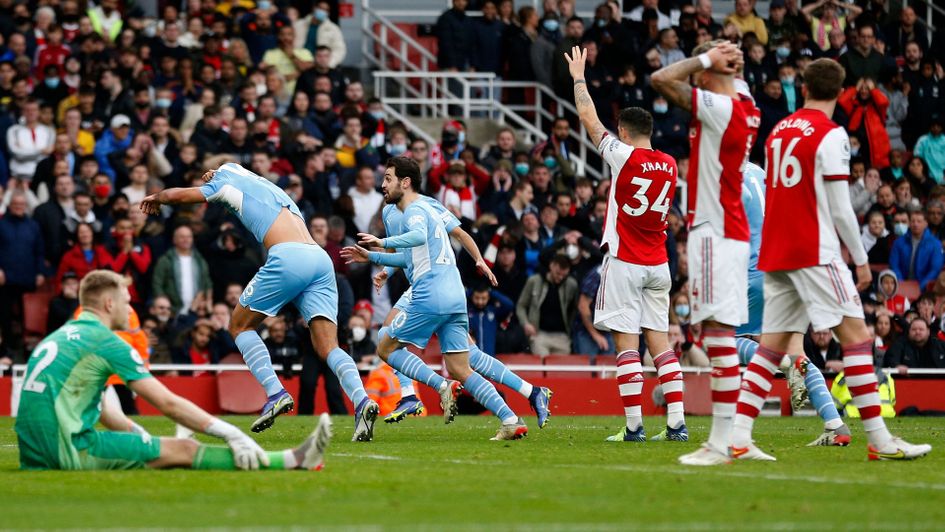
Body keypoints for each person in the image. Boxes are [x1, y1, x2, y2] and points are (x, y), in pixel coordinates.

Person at [734, 58, 930, 462]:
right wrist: (859, 258)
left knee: (772, 346)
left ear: (803, 88)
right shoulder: (831, 134)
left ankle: (737, 437)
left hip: (776, 253)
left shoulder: (778, 133)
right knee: (857, 337)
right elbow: (841, 207)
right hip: (813, 251)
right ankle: (880, 440)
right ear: (840, 93)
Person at [141, 163, 376, 441]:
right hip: (320, 259)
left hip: (289, 256)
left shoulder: (226, 184)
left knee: (239, 327)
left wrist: (157, 197)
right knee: (328, 346)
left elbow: (180, 196)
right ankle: (362, 401)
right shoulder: (270, 188)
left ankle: (276, 393)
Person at [15, 270, 332, 471]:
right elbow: (166, 403)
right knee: (184, 448)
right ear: (109, 305)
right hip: (65, 452)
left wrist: (141, 439)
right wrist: (231, 432)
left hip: (32, 455)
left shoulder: (57, 338)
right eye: (126, 302)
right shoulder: (107, 343)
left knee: (155, 452)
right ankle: (293, 461)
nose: (131, 308)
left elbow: (102, 409)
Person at [342, 157, 530, 440]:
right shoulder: (419, 209)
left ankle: (438, 387)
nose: (383, 184)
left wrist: (382, 242)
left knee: (385, 345)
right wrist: (375, 259)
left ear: (405, 183)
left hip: (429, 292)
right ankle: (510, 418)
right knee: (461, 367)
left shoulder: (415, 209)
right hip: (455, 293)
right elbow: (408, 254)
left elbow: (417, 236)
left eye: (389, 178)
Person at [566, 45, 690, 443]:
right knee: (662, 344)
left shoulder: (623, 156)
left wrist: (578, 77)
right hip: (659, 264)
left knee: (627, 346)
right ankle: (676, 424)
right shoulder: (670, 165)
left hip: (626, 261)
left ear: (623, 132)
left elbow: (587, 117)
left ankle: (634, 427)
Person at [651, 40, 760, 465]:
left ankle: (719, 445)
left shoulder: (721, 108)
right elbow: (733, 76)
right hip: (731, 229)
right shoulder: (745, 101)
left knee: (717, 338)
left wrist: (705, 60)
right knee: (724, 336)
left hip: (713, 231)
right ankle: (740, 438)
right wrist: (724, 60)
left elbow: (660, 78)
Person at [734, 161, 853, 447]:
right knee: (797, 354)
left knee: (724, 342)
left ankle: (781, 363)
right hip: (786, 268)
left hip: (752, 271)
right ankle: (835, 424)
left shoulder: (727, 175)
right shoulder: (762, 173)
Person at [889, 207, 943, 289]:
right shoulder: (898, 242)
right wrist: (901, 283)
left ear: (925, 223)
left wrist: (921, 286)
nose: (915, 224)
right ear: (909, 223)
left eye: (919, 221)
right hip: (901, 284)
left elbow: (935, 269)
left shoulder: (935, 244)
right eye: (913, 221)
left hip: (924, 287)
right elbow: (894, 265)